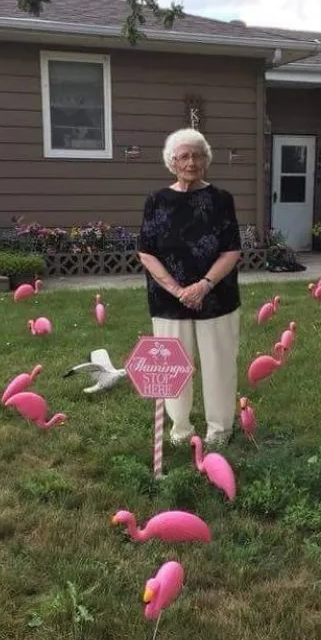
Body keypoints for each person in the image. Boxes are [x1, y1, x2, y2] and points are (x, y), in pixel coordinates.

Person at [137, 128, 242, 446]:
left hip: (216, 298)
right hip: (169, 301)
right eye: (184, 155)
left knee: (219, 364)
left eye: (198, 155)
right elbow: (146, 252)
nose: (192, 161)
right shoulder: (156, 200)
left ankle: (219, 430)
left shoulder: (221, 199)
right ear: (172, 161)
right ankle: (180, 428)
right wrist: (177, 290)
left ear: (206, 160)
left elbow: (232, 250)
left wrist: (203, 286)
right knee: (171, 367)